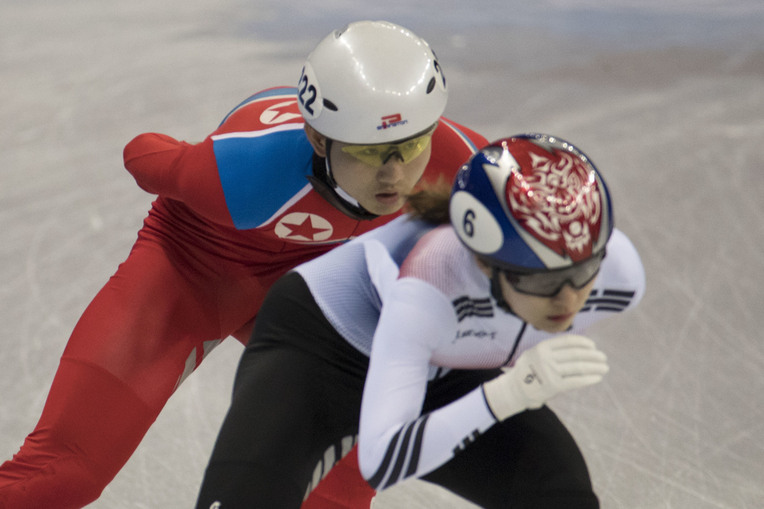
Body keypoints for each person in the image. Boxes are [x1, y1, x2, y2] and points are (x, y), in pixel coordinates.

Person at [0, 21, 488, 509]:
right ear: (319, 139)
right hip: (195, 270)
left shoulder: (464, 166)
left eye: (413, 144)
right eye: (369, 151)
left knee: (339, 486)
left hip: (314, 282)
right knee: (63, 475)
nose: (395, 173)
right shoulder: (243, 177)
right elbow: (143, 152)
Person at [195, 134, 646, 508]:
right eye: (538, 281)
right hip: (317, 352)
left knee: (560, 497)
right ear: (485, 265)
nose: (567, 299)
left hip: (442, 362)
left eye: (582, 272)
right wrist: (510, 393)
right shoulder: (428, 286)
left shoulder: (619, 277)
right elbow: (384, 460)